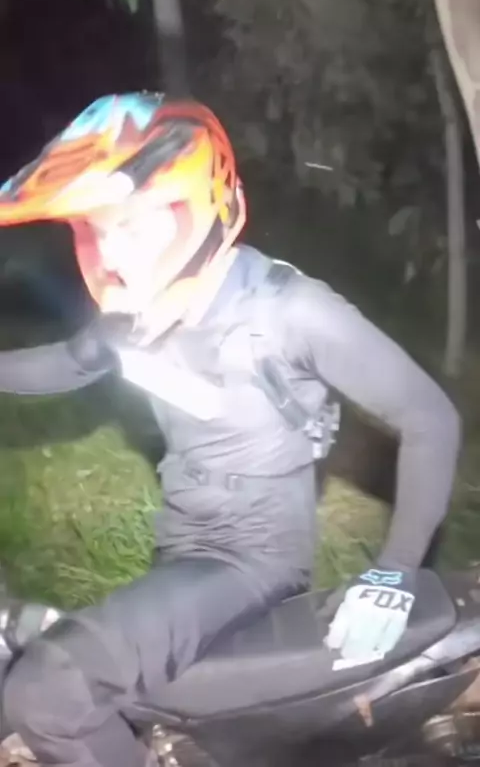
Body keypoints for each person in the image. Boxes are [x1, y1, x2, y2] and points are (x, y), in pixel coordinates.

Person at [0, 93, 460, 767]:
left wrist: (393, 572)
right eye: (97, 230)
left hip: (252, 559)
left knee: (48, 696)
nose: (112, 253)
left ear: (198, 208)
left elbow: (429, 417)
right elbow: (69, 363)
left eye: (133, 227)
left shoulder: (288, 312)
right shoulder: (136, 314)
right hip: (184, 543)